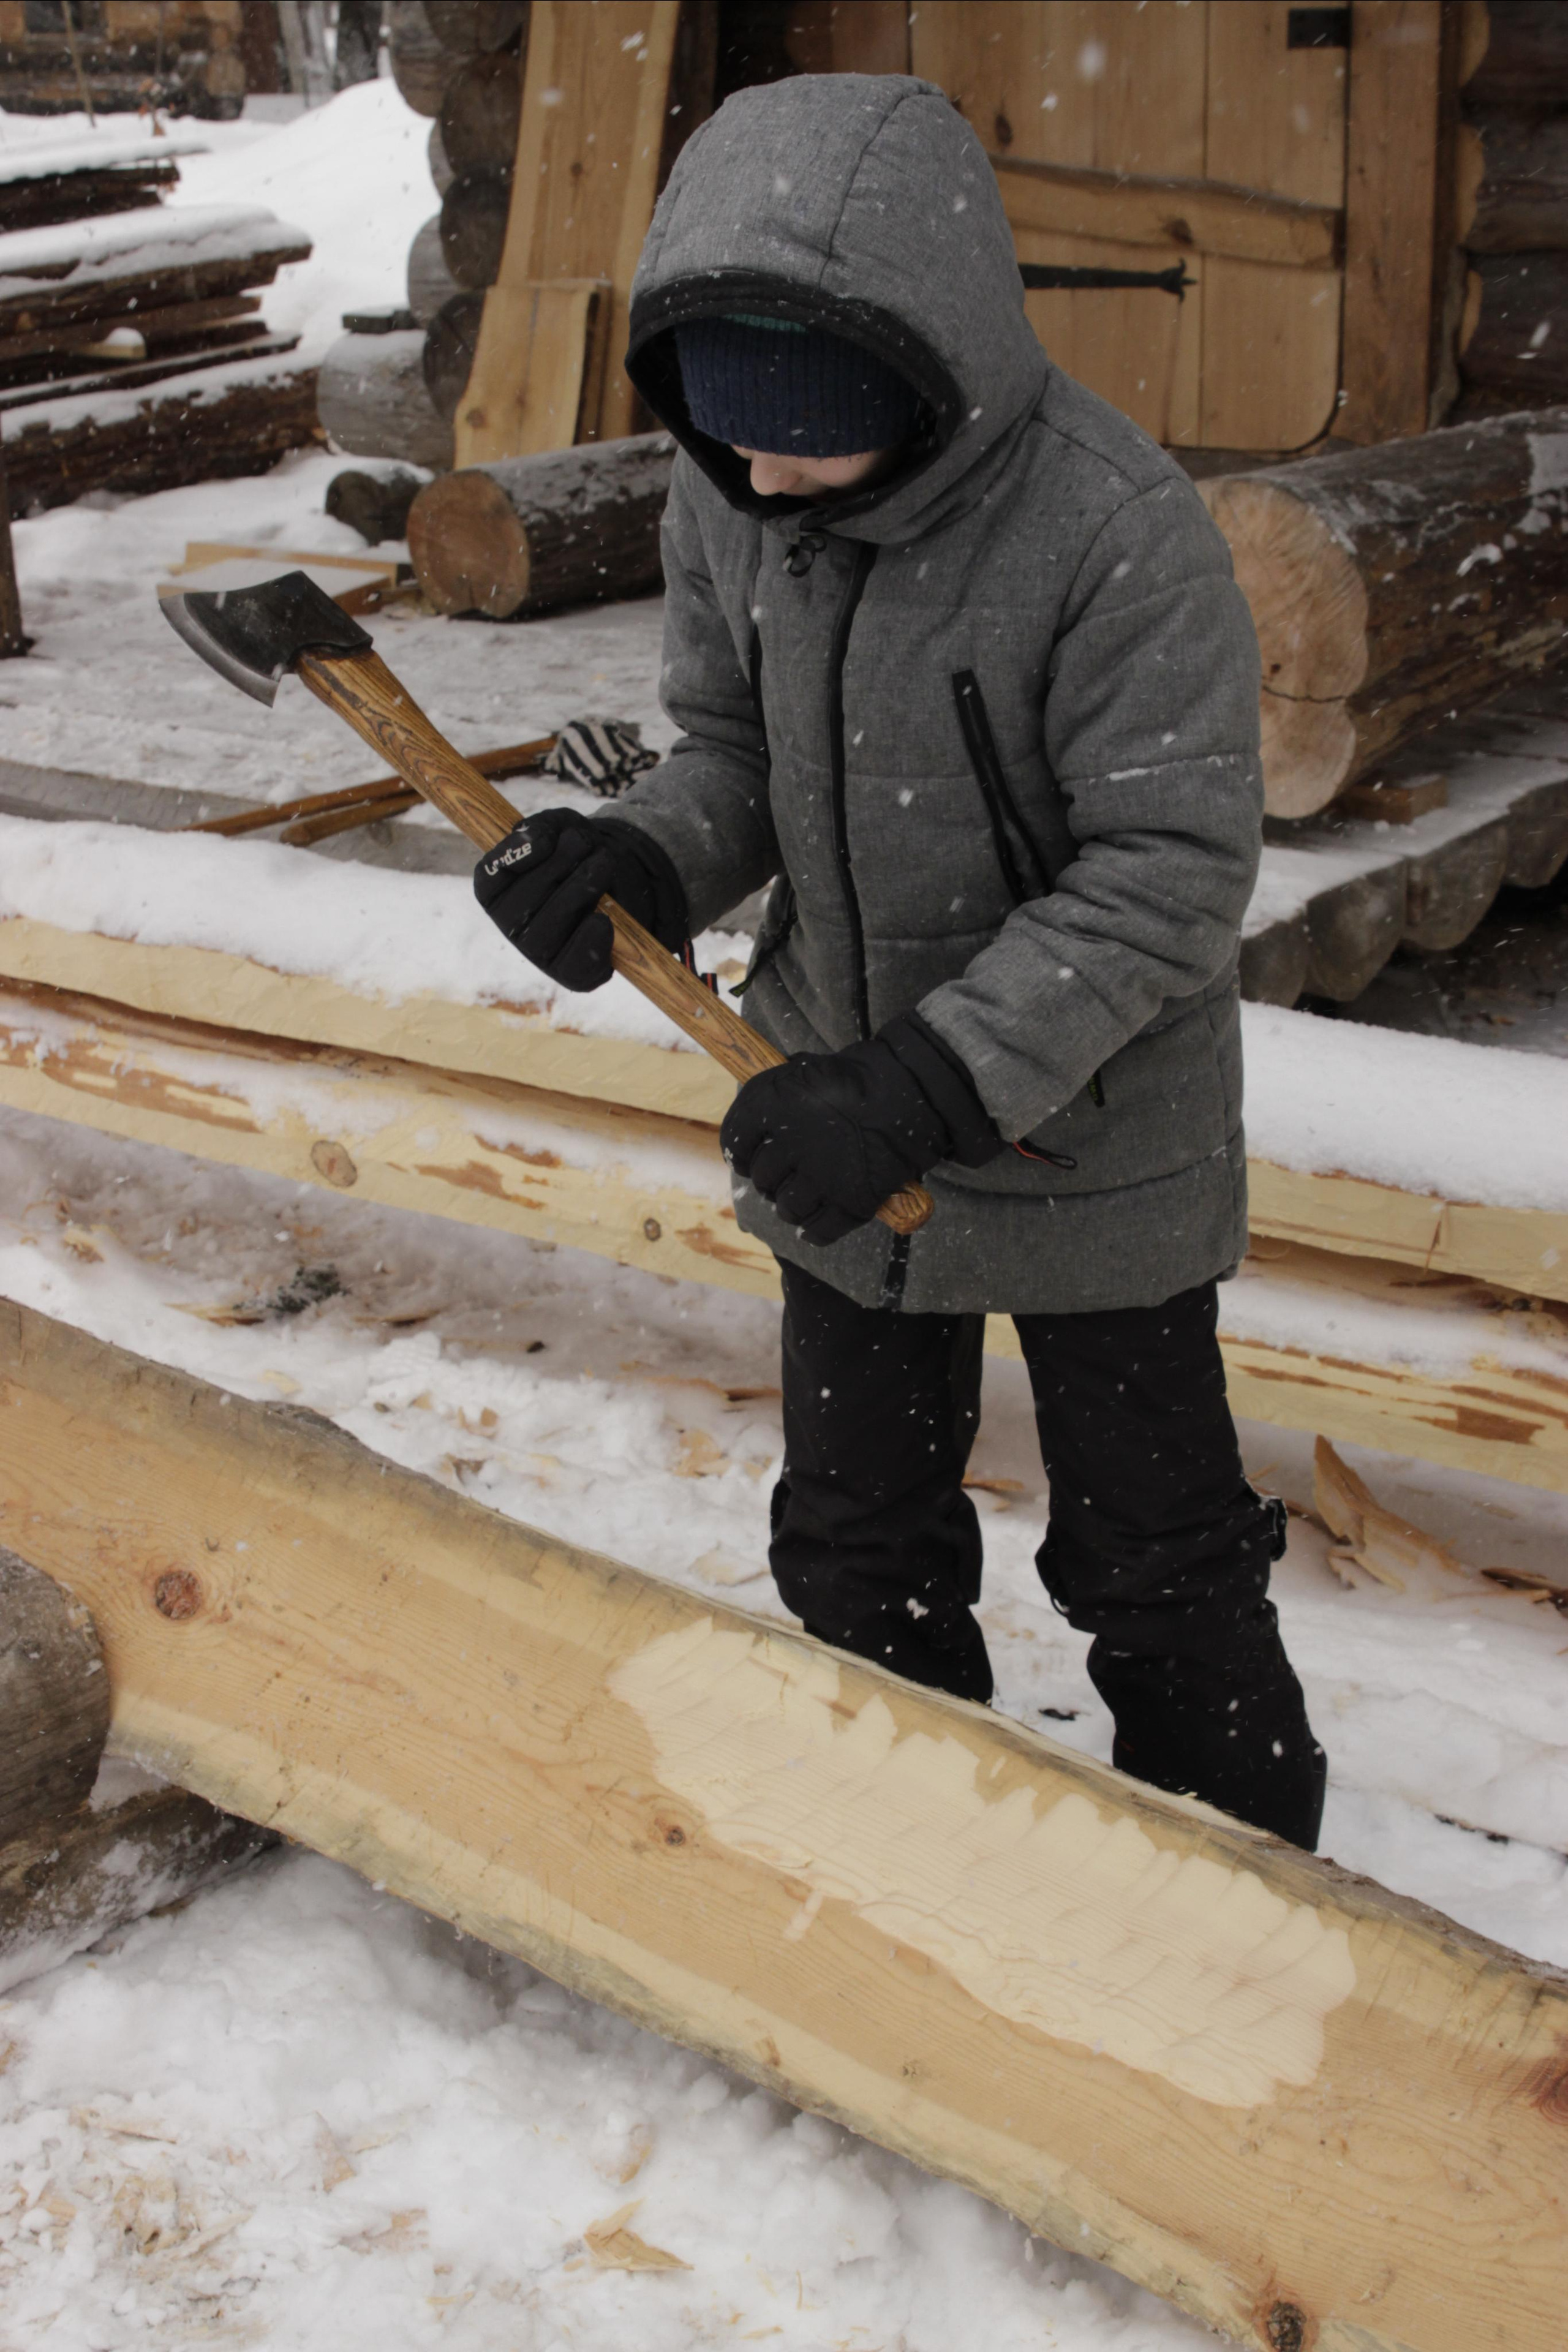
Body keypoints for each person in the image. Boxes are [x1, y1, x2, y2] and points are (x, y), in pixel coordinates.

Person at [473, 73, 1326, 1849]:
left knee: (1153, 1553)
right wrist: (643, 857)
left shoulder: (1116, 529)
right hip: (834, 1116)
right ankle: (903, 1843)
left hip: (1090, 1140)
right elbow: (732, 749)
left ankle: (1247, 1877)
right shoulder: (735, 489)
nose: (762, 481)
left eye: (803, 438)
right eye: (730, 440)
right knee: (856, 1541)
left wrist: (934, 1079)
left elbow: (1168, 875)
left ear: (925, 377)